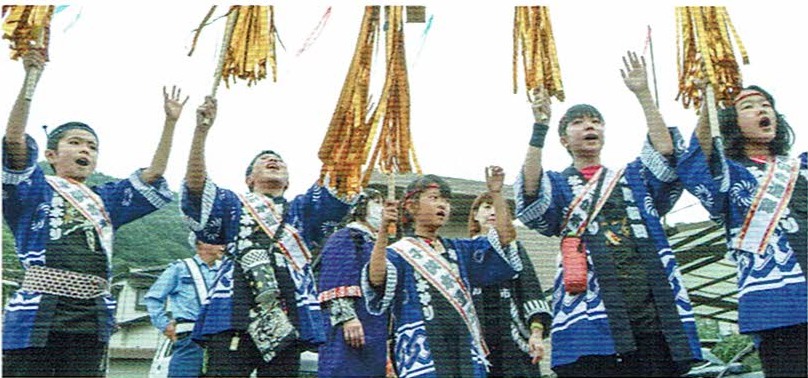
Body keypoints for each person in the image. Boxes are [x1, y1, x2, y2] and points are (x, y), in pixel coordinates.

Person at [514, 51, 702, 377]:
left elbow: (666, 154)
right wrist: (539, 127)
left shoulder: (633, 177)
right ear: (564, 139)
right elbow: (531, 196)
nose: (590, 126)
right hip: (591, 310)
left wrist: (643, 95)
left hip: (649, 308)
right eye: (578, 122)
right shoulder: (559, 184)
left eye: (596, 121)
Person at [2, 50, 184, 377]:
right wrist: (30, 80)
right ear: (52, 154)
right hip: (37, 312)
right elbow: (14, 141)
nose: (86, 149)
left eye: (92, 146)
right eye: (76, 142)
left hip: (91, 315)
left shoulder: (106, 199)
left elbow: (154, 174)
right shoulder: (33, 190)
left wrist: (171, 123)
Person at [181, 97, 355, 377]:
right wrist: (200, 133)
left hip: (287, 312)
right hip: (233, 309)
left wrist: (351, 132)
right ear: (249, 179)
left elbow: (341, 181)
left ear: (288, 182)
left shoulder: (302, 209)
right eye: (264, 160)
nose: (273, 160)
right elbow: (196, 187)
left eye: (280, 161)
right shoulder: (232, 204)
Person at [678, 84, 807, 377]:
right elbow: (694, 163)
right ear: (731, 123)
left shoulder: (799, 168)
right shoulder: (729, 173)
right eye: (748, 107)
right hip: (776, 301)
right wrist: (708, 104)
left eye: (766, 104)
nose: (762, 110)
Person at [364, 168, 522, 378]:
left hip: (463, 345)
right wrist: (384, 229)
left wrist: (496, 194)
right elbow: (376, 278)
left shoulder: (460, 250)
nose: (442, 205)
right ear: (411, 206)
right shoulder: (399, 253)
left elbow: (505, 238)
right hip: (423, 349)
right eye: (434, 198)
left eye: (446, 201)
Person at [468, 191, 552, 377]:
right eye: (487, 207)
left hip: (512, 335)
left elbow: (531, 290)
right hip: (475, 336)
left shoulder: (514, 249)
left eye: (497, 208)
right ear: (475, 214)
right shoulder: (461, 251)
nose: (492, 213)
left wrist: (536, 334)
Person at [317, 188, 389, 377]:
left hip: (376, 324)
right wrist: (347, 318)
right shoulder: (345, 237)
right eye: (377, 202)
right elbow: (335, 278)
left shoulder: (378, 244)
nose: (381, 209)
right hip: (352, 324)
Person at [145, 235, 224, 378]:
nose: (223, 247)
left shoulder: (225, 270)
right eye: (218, 243)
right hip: (189, 335)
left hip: (220, 337)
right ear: (201, 244)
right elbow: (153, 297)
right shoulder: (180, 268)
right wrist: (164, 325)